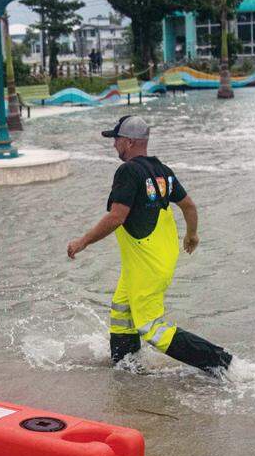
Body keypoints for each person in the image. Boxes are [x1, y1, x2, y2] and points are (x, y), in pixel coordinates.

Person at [67, 115, 233, 375]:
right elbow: (188, 205)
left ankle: (220, 361)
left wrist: (83, 241)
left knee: (150, 326)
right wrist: (192, 235)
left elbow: (116, 217)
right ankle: (126, 368)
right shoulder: (163, 172)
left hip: (147, 265)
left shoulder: (128, 171)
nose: (114, 146)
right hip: (151, 261)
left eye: (117, 140)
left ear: (130, 142)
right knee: (122, 313)